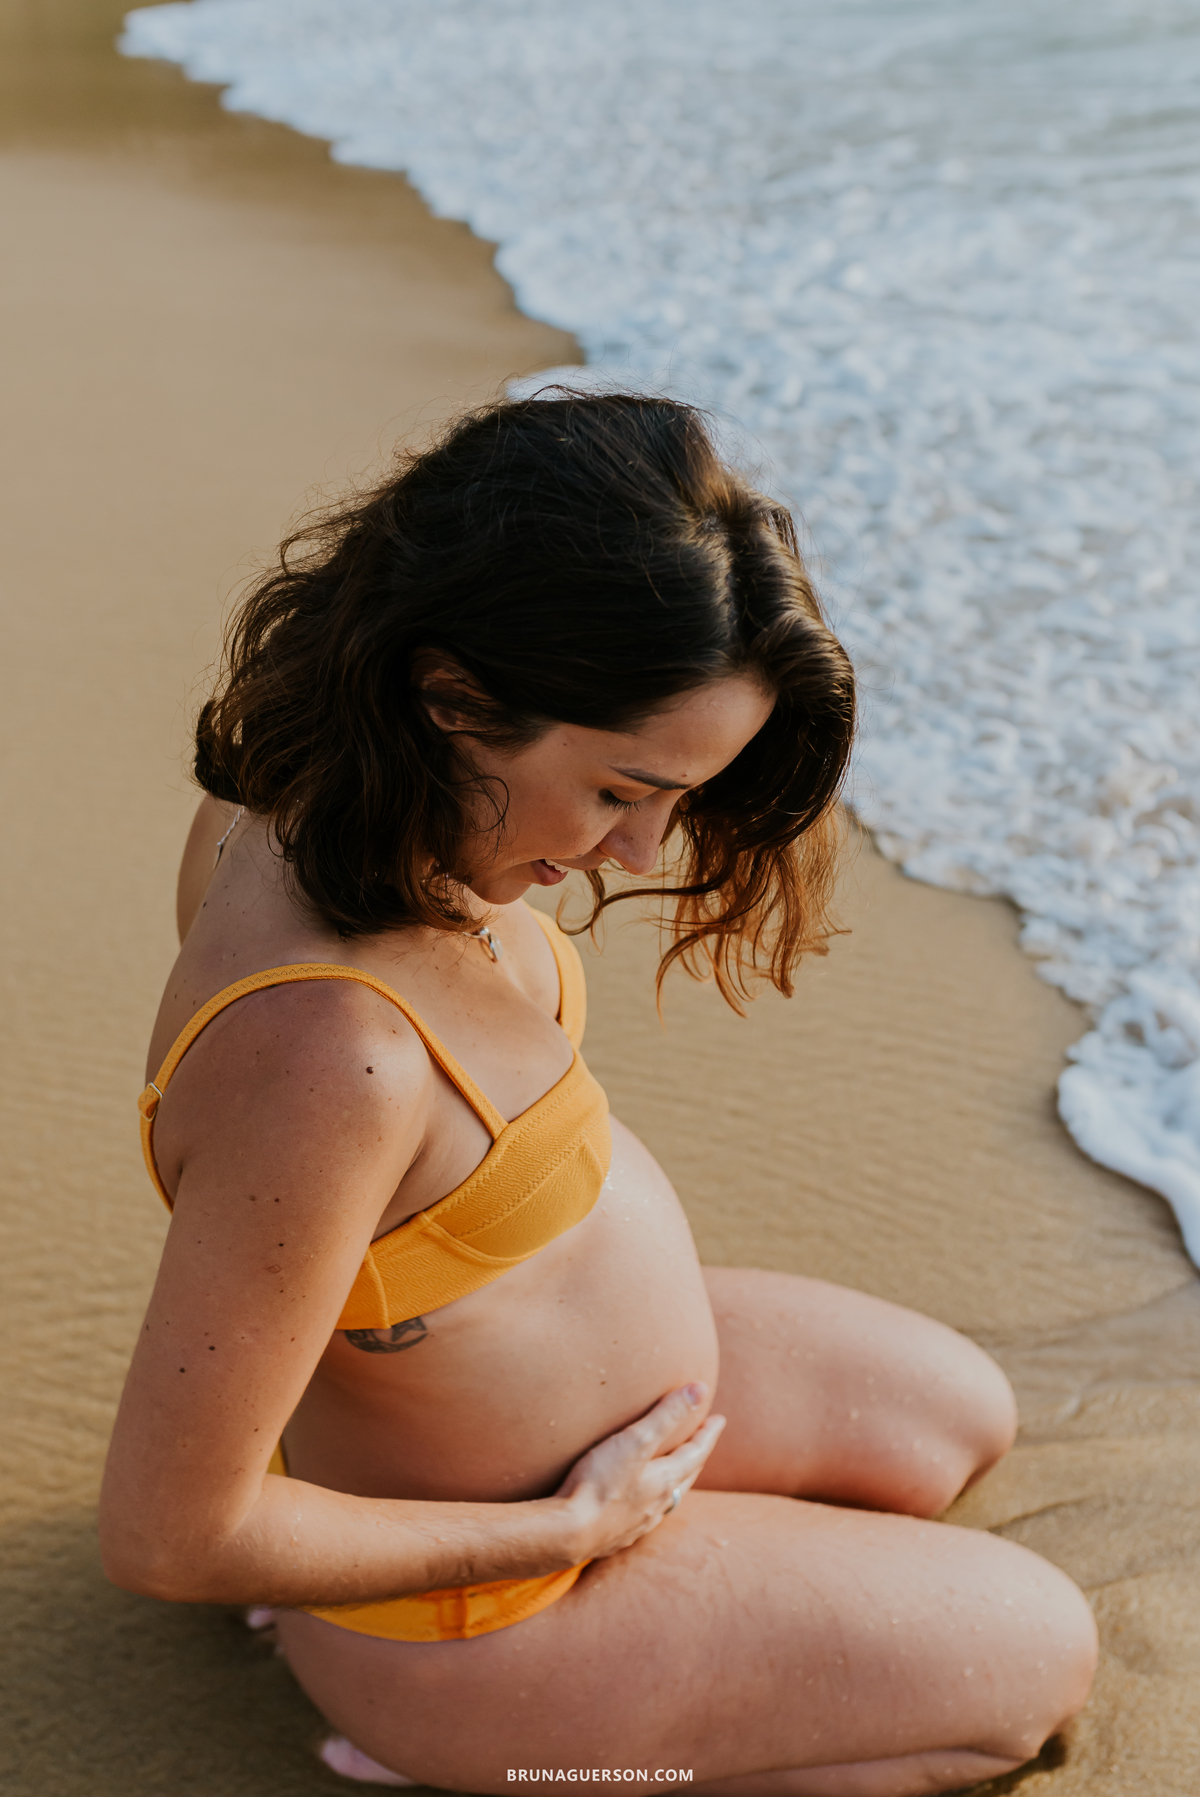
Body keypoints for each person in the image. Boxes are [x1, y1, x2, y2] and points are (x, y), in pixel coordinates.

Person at [100, 393, 1096, 1796]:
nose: (644, 848)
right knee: (1034, 1678)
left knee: (949, 1420)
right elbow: (164, 1534)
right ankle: (467, 1748)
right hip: (481, 1615)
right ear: (452, 695)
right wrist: (567, 1529)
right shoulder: (332, 1053)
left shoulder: (312, 796)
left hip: (524, 1440)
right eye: (624, 786)